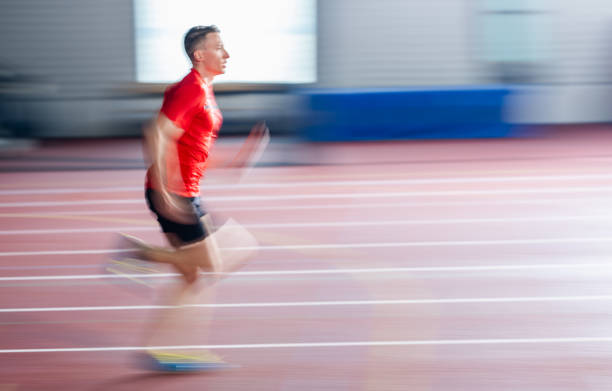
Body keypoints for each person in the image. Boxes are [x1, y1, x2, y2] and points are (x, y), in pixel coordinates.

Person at [112, 25, 267, 372]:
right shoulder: (191, 89)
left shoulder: (204, 90)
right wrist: (167, 191)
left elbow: (192, 149)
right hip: (176, 196)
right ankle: (137, 252)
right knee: (226, 256)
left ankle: (164, 349)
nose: (227, 54)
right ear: (200, 55)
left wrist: (233, 161)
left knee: (191, 275)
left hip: (184, 192)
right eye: (220, 47)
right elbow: (156, 132)